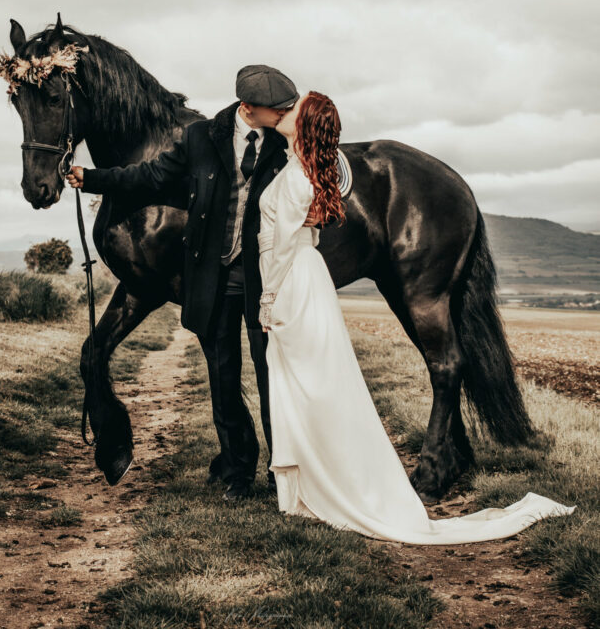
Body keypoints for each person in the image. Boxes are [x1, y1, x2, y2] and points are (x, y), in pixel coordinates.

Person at [257, 90, 576, 544]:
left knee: (311, 381)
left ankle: (336, 480)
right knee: (308, 381)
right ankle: (321, 478)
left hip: (293, 279)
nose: (284, 110)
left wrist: (267, 300)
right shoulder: (300, 167)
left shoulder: (298, 176)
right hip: (303, 278)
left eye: (293, 109)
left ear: (305, 124)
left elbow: (284, 243)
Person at [67, 64, 317, 502]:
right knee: (223, 379)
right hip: (215, 280)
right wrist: (93, 179)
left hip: (265, 279)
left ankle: (283, 472)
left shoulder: (286, 141)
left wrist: (321, 209)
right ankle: (238, 471)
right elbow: (150, 175)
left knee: (271, 377)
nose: (285, 114)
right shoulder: (201, 137)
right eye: (277, 109)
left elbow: (329, 172)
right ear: (248, 108)